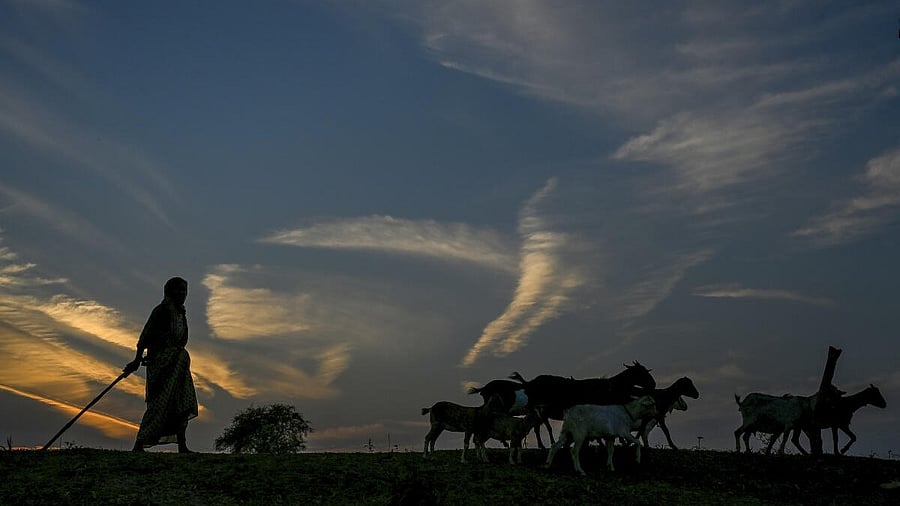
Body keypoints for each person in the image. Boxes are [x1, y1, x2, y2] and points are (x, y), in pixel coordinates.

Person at [125, 276, 198, 453]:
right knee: (159, 403)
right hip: (162, 366)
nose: (182, 293)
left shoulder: (181, 313)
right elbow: (146, 337)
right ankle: (139, 444)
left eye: (184, 290)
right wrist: (137, 360)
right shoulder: (161, 311)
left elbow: (180, 340)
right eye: (178, 290)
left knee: (182, 403)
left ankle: (182, 445)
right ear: (169, 292)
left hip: (179, 365)